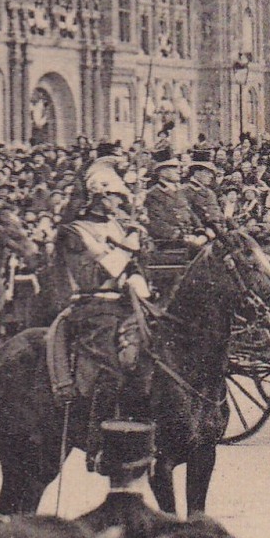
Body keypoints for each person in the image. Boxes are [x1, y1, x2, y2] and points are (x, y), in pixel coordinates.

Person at [53, 164, 154, 426]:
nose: (120, 202)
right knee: (110, 370)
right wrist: (128, 245)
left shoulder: (119, 226)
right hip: (93, 306)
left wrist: (139, 252)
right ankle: (98, 433)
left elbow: (132, 268)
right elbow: (95, 274)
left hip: (126, 303)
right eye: (115, 197)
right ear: (98, 197)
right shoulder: (74, 232)